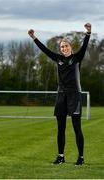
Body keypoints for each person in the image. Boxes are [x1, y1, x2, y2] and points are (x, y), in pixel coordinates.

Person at [28, 23, 91, 165]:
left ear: (70, 47)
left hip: (75, 96)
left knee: (77, 127)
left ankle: (81, 157)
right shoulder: (58, 59)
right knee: (60, 128)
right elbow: (44, 50)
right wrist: (34, 38)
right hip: (61, 96)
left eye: (66, 46)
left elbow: (85, 45)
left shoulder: (77, 58)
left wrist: (88, 32)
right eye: (62, 47)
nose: (64, 48)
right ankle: (61, 156)